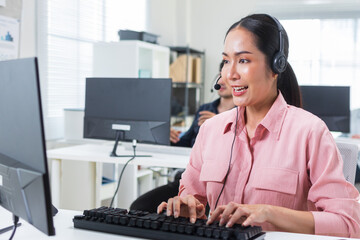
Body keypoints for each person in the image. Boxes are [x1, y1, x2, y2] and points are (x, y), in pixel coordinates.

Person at [157, 14, 360, 238]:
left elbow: (348, 223)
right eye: (226, 61)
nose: (230, 74)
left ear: (276, 66)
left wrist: (270, 213)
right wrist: (185, 208)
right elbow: (192, 197)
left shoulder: (310, 132)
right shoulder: (211, 130)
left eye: (243, 60)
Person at [129, 63, 235, 213]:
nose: (221, 81)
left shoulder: (241, 116)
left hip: (216, 185)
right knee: (139, 207)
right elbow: (185, 142)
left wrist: (219, 124)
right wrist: (168, 136)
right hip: (188, 179)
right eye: (219, 75)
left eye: (226, 77)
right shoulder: (205, 109)